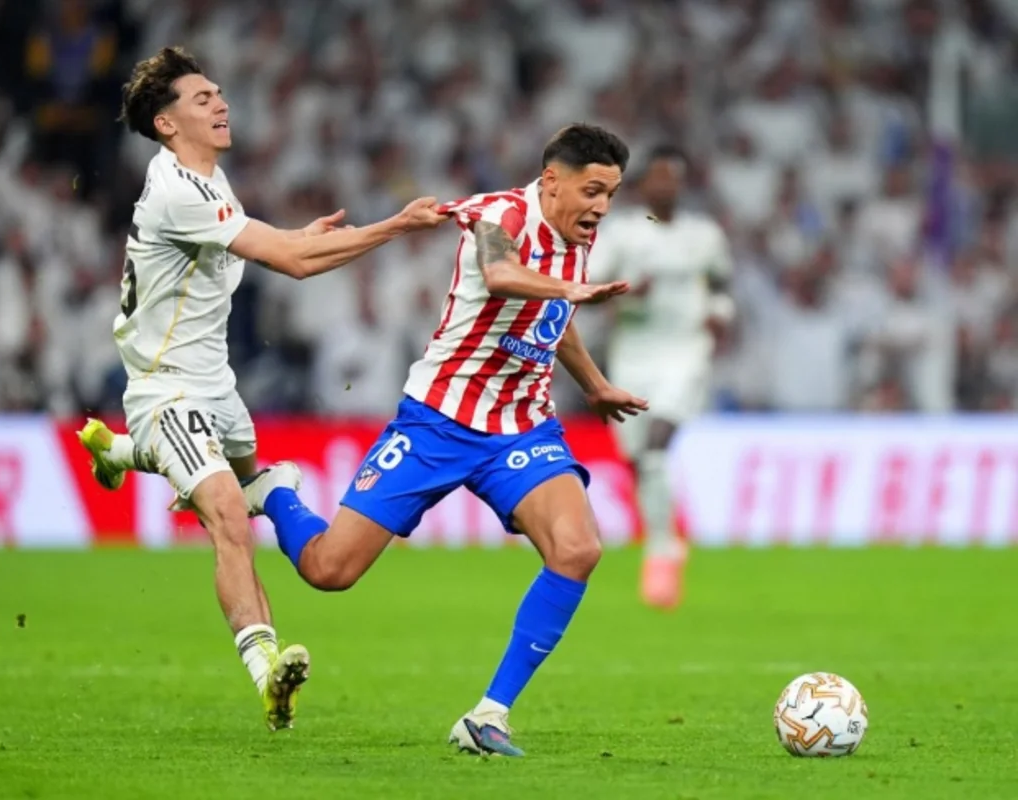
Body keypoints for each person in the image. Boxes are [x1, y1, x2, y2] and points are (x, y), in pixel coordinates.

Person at [236, 123, 649, 756]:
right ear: (551, 181)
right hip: (438, 421)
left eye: (612, 195)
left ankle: (488, 716)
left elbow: (552, 317)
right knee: (328, 571)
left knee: (578, 549)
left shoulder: (576, 239)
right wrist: (571, 289)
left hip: (521, 425)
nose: (602, 207)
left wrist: (594, 384)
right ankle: (276, 492)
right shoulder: (501, 215)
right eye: (593, 191)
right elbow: (502, 274)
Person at [78, 46, 446, 733]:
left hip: (217, 386)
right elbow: (295, 265)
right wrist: (394, 226)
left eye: (219, 92)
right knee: (227, 512)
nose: (221, 102)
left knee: (244, 494)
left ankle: (121, 452)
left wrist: (295, 237)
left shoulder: (207, 181)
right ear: (166, 124)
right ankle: (267, 670)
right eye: (202, 98)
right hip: (167, 390)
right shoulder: (180, 191)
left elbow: (271, 249)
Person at [588, 144, 734, 609]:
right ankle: (665, 539)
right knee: (639, 461)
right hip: (633, 355)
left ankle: (659, 552)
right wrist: (628, 293)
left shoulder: (704, 235)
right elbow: (587, 289)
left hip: (687, 352)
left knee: (656, 445)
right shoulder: (623, 234)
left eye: (674, 176)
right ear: (643, 183)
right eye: (659, 176)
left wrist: (720, 314)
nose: (667, 184)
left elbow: (721, 283)